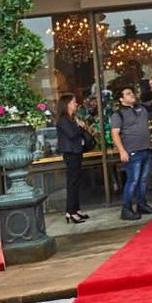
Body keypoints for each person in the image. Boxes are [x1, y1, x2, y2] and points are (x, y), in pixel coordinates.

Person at [110, 80, 152, 221]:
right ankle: (126, 209)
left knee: (143, 180)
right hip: (132, 151)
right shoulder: (118, 114)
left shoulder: (141, 107)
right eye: (127, 94)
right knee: (133, 180)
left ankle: (141, 204)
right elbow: (114, 133)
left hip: (145, 148)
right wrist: (122, 151)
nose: (131, 95)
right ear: (121, 99)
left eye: (131, 92)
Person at [55, 93, 90, 224]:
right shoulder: (64, 119)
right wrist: (80, 126)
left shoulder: (70, 118)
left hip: (76, 151)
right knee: (72, 182)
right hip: (70, 153)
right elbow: (72, 134)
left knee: (76, 182)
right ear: (67, 104)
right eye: (74, 102)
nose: (76, 104)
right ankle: (71, 211)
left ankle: (76, 209)